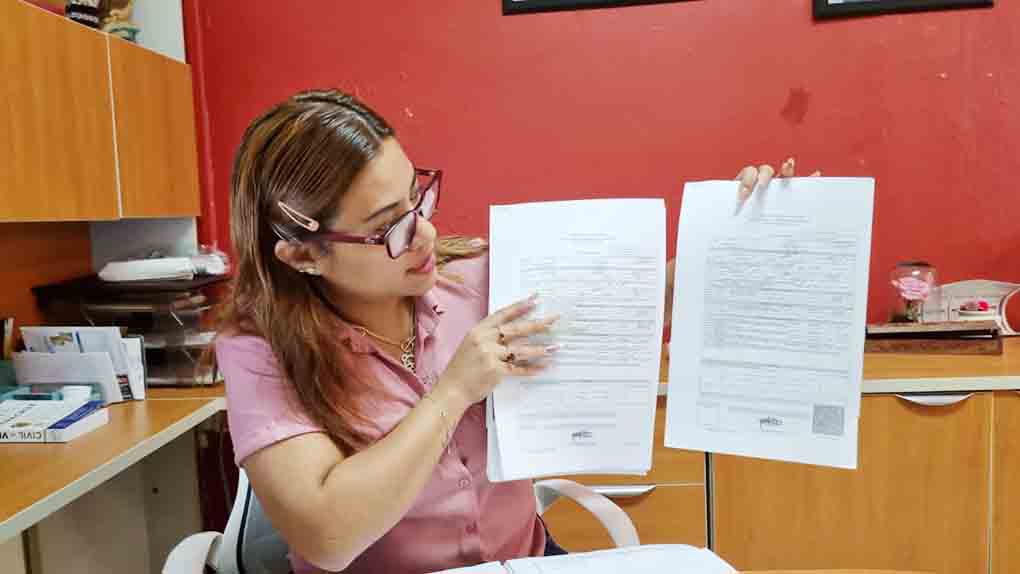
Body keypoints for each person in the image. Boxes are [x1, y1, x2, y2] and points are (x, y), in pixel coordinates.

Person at [214, 88, 804, 574]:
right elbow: (327, 538)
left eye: (417, 198)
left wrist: (741, 232)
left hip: (525, 561)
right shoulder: (259, 350)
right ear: (304, 255)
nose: (424, 233)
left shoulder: (475, 277)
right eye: (389, 227)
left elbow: (640, 301)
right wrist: (453, 392)